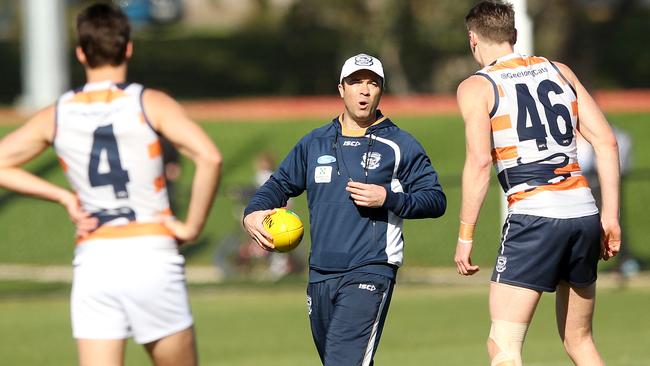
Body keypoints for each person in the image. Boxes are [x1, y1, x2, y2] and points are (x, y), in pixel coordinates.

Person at [0, 3, 222, 366]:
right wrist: (192, 226)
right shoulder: (149, 102)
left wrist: (62, 197)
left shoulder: (57, 113)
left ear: (81, 52)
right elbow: (209, 157)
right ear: (128, 47)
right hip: (151, 251)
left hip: (96, 259)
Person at [243, 53, 446, 366]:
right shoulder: (315, 142)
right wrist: (253, 212)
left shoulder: (400, 144)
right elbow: (279, 185)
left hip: (371, 268)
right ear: (341, 89)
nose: (364, 90)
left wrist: (389, 199)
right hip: (321, 274)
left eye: (372, 83)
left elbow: (435, 199)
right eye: (356, 82)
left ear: (381, 90)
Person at [454, 1, 621, 365]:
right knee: (580, 342)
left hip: (534, 216)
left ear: (473, 40)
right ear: (514, 35)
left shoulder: (477, 87)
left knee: (504, 346)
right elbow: (606, 142)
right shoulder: (558, 70)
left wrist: (465, 235)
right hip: (583, 213)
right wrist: (610, 217)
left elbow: (480, 162)